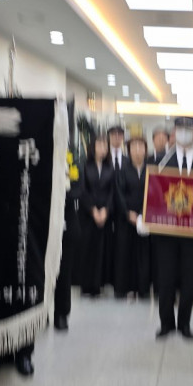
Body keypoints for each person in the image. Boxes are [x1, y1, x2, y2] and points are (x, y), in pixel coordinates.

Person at [137, 116, 193, 340]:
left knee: (189, 280)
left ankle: (184, 324)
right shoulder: (158, 161)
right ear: (173, 132)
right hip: (166, 231)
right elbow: (147, 191)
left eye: (188, 129)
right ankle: (166, 323)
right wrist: (143, 216)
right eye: (180, 128)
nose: (184, 132)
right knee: (165, 278)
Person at [79, 135, 114, 297]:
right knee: (87, 248)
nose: (103, 149)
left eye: (105, 146)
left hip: (104, 215)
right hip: (88, 215)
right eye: (99, 146)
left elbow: (112, 192)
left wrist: (106, 210)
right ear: (93, 148)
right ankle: (86, 285)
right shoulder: (85, 166)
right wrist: (93, 210)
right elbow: (83, 190)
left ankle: (98, 284)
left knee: (101, 250)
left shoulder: (110, 168)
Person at [118, 135, 151, 298]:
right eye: (134, 147)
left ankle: (144, 288)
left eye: (141, 146)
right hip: (127, 218)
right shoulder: (122, 170)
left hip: (147, 218)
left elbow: (156, 192)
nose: (137, 150)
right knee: (126, 252)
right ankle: (127, 287)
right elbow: (119, 193)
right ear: (129, 150)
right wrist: (127, 212)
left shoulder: (151, 169)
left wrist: (146, 214)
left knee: (145, 254)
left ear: (146, 150)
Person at [54, 149, 83, 332]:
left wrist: (61, 189)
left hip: (67, 222)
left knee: (64, 272)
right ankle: (40, 313)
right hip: (44, 222)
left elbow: (78, 190)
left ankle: (61, 313)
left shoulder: (73, 162)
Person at [108, 124, 131, 299]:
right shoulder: (103, 157)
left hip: (123, 211)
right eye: (114, 135)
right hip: (106, 209)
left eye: (120, 135)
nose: (117, 137)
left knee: (121, 247)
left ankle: (120, 282)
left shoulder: (127, 160)